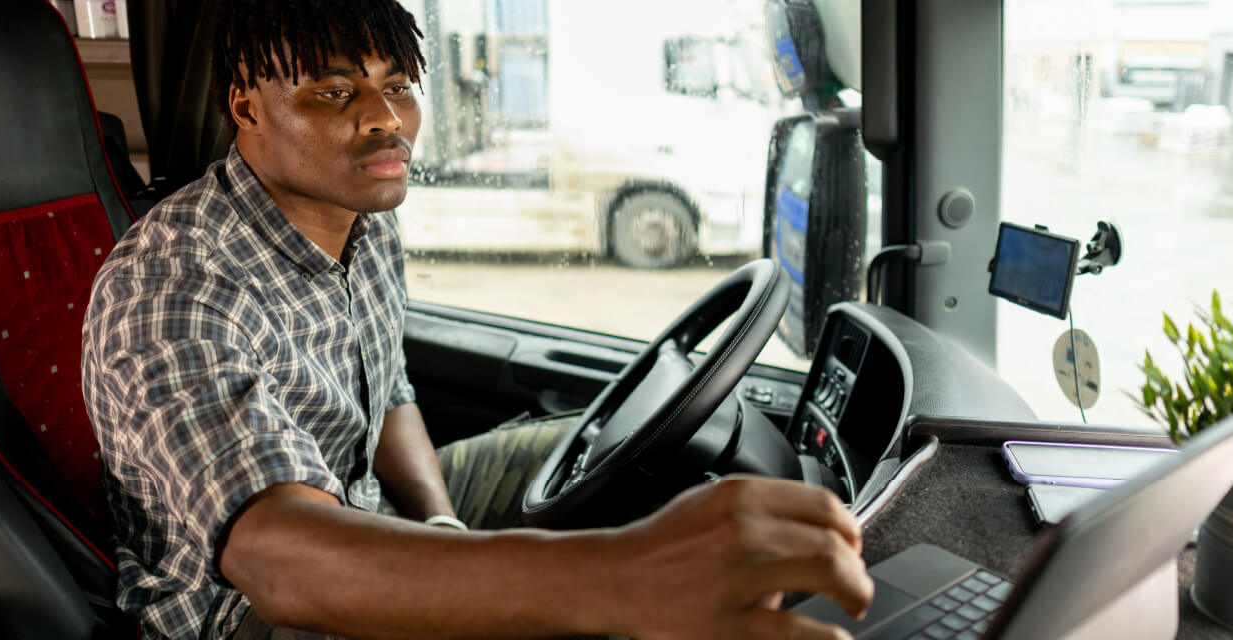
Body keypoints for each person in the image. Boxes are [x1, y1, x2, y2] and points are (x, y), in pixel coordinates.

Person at [81, 1, 872, 638]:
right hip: (243, 611)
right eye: (334, 92)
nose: (384, 119)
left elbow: (388, 395)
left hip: (361, 508)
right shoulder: (175, 284)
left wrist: (441, 524)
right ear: (246, 106)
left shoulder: (363, 216)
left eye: (397, 85)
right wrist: (620, 579)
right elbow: (282, 563)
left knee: (605, 453)